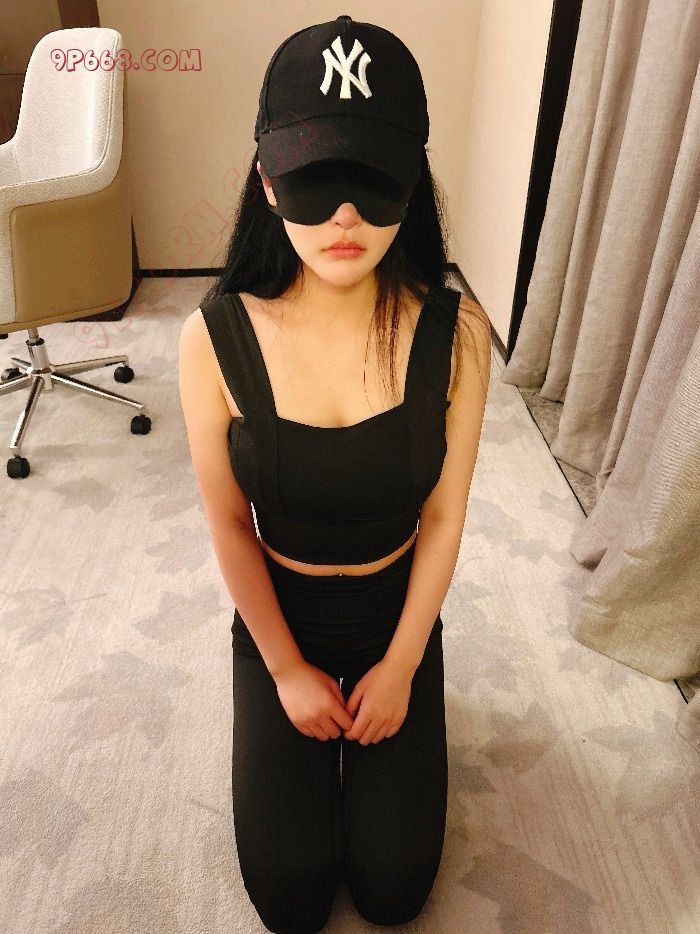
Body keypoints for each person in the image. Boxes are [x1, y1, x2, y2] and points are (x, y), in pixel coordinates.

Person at [179, 15, 491, 934]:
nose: (344, 216)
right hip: (281, 617)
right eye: (316, 181)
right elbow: (229, 523)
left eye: (370, 179)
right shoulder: (212, 336)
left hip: (397, 616)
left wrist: (402, 665)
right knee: (290, 896)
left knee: (395, 890)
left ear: (411, 184)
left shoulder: (458, 334)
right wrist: (284, 668)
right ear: (268, 182)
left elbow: (444, 518)